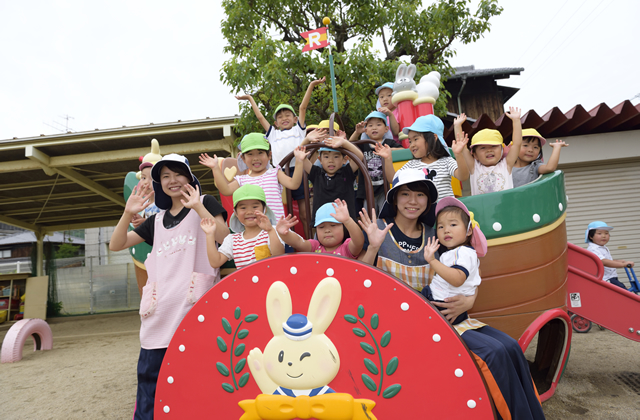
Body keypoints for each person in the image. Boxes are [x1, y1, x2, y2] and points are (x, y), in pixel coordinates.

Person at [360, 174, 545, 420]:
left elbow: (462, 273)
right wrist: (372, 246)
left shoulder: (437, 234)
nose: (412, 201)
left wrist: (470, 299)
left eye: (420, 194)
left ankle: (530, 414)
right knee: (492, 354)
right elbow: (359, 281)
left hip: (444, 315)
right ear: (394, 198)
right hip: (401, 323)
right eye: (405, 193)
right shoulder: (379, 230)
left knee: (510, 347)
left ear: (428, 201)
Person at [109, 154, 229, 420]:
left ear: (189, 178)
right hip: (159, 316)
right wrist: (128, 212)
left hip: (195, 311)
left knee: (198, 382)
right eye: (165, 176)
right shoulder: (156, 221)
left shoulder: (206, 203)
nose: (172, 180)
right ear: (159, 183)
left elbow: (225, 238)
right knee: (150, 384)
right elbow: (116, 244)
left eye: (178, 174)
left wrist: (198, 206)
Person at [236, 78, 326, 219]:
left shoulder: (299, 130)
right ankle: (286, 234)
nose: (284, 118)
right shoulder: (273, 134)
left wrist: (311, 85)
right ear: (275, 123)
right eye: (280, 117)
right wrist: (250, 99)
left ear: (295, 119)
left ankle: (307, 237)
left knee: (304, 210)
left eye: (287, 115)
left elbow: (303, 107)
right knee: (284, 207)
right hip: (280, 172)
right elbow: (260, 117)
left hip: (298, 169)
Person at [199, 133, 308, 220]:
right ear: (243, 159)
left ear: (269, 155)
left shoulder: (275, 173)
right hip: (254, 234)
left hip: (277, 230)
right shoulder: (242, 180)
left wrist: (299, 161)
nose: (255, 158)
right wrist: (215, 169)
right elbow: (226, 190)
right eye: (250, 154)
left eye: (260, 152)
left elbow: (294, 184)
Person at [422, 197, 488, 325]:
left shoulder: (462, 252)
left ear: (469, 230)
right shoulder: (459, 252)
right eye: (440, 227)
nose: (446, 230)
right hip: (447, 303)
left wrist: (432, 261)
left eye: (453, 225)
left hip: (442, 303)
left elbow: (457, 279)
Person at [377, 114, 470, 200]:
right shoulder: (412, 165)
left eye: (416, 139)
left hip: (445, 211)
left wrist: (458, 155)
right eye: (410, 141)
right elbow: (393, 179)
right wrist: (388, 159)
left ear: (434, 138)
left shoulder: (446, 161)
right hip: (424, 213)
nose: (411, 145)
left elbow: (463, 176)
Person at [202, 184, 284, 270]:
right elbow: (215, 262)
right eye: (243, 208)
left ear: (264, 209)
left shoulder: (274, 231)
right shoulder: (232, 240)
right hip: (246, 283)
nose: (249, 212)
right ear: (235, 213)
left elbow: (279, 256)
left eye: (255, 206)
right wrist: (210, 235)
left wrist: (270, 230)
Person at [459, 107, 522, 195]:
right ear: (475, 155)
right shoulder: (474, 167)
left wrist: (516, 120)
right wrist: (457, 126)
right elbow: (462, 147)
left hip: (505, 207)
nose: (489, 150)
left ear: (502, 150)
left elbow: (516, 144)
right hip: (481, 208)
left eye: (493, 146)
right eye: (483, 148)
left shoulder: (506, 165)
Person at [349, 111, 403, 214]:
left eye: (378, 124)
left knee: (385, 212)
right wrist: (357, 132)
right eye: (370, 125)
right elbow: (350, 145)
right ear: (366, 130)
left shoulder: (388, 143)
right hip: (367, 188)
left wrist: (388, 150)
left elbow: (402, 150)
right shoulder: (363, 145)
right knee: (369, 214)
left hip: (384, 187)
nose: (374, 128)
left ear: (386, 129)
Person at [303, 131, 364, 222]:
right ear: (320, 160)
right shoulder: (316, 174)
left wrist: (344, 142)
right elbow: (300, 155)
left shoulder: (347, 173)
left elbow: (359, 156)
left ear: (345, 159)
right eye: (326, 157)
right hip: (323, 223)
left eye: (336, 157)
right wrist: (307, 139)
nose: (331, 160)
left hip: (345, 224)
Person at [275, 199, 364, 259]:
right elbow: (298, 242)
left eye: (333, 225)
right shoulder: (315, 247)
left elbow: (359, 241)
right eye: (321, 227)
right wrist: (284, 234)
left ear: (343, 228)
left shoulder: (347, 248)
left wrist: (348, 221)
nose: (327, 230)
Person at [585, 221, 635, 289]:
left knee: (625, 290)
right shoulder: (593, 249)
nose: (604, 236)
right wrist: (623, 265)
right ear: (591, 236)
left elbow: (608, 260)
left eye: (606, 233)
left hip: (611, 278)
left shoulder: (603, 247)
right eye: (599, 233)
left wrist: (619, 261)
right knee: (624, 293)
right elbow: (603, 261)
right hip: (605, 279)